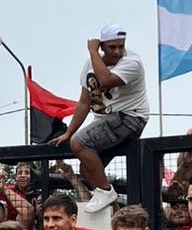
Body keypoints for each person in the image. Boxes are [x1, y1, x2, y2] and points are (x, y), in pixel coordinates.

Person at [50, 25, 150, 213]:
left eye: (121, 46)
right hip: (107, 121)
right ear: (103, 46)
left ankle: (105, 191)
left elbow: (106, 80)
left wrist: (92, 50)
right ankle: (118, 214)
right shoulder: (90, 65)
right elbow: (84, 103)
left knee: (80, 143)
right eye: (112, 47)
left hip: (130, 117)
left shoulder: (132, 62)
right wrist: (68, 132)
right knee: (88, 171)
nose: (118, 51)